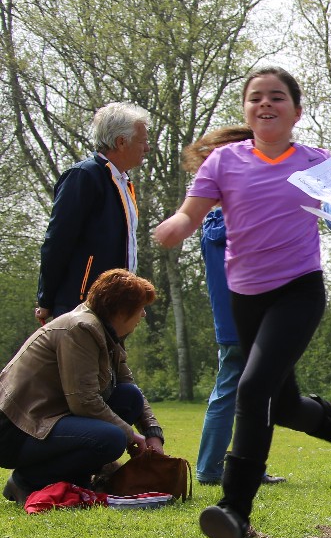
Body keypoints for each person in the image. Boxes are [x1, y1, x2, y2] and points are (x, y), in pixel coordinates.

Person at [155, 66, 331, 538]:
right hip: (246, 297)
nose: (265, 104)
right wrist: (177, 225)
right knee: (283, 403)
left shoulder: (317, 163)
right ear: (246, 110)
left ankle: (234, 510)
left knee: (252, 390)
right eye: (256, 98)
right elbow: (192, 211)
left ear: (297, 111)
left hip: (298, 291)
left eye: (276, 97)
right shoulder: (224, 162)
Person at [0, 269, 163, 503]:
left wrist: (152, 433)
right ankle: (26, 480)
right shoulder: (81, 329)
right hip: (16, 430)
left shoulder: (105, 332)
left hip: (46, 419)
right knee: (112, 439)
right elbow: (83, 401)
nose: (143, 314)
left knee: (130, 397)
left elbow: (127, 383)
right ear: (121, 310)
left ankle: (76, 477)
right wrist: (132, 436)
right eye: (140, 308)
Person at [179, 128, 284, 488]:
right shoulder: (233, 214)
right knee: (244, 394)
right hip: (250, 321)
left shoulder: (214, 216)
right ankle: (218, 467)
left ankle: (223, 465)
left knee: (237, 393)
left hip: (236, 322)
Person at [36, 103, 151, 324]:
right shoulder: (84, 176)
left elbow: (126, 249)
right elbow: (58, 241)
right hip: (81, 306)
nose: (147, 148)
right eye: (142, 141)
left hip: (113, 305)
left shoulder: (122, 181)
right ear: (121, 142)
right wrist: (46, 299)